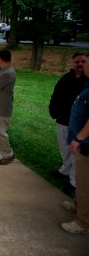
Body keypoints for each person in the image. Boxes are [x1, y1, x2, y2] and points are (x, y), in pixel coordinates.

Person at [49, 52, 87, 194]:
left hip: (78, 124)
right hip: (63, 119)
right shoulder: (66, 78)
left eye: (83, 61)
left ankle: (74, 182)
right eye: (77, 61)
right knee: (64, 148)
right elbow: (56, 94)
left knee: (75, 152)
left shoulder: (87, 81)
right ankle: (65, 170)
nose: (80, 64)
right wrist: (53, 111)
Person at [61, 51, 89, 234]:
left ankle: (83, 222)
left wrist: (79, 138)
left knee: (85, 184)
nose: (83, 66)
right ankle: (78, 206)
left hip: (85, 144)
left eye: (86, 63)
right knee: (81, 180)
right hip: (80, 140)